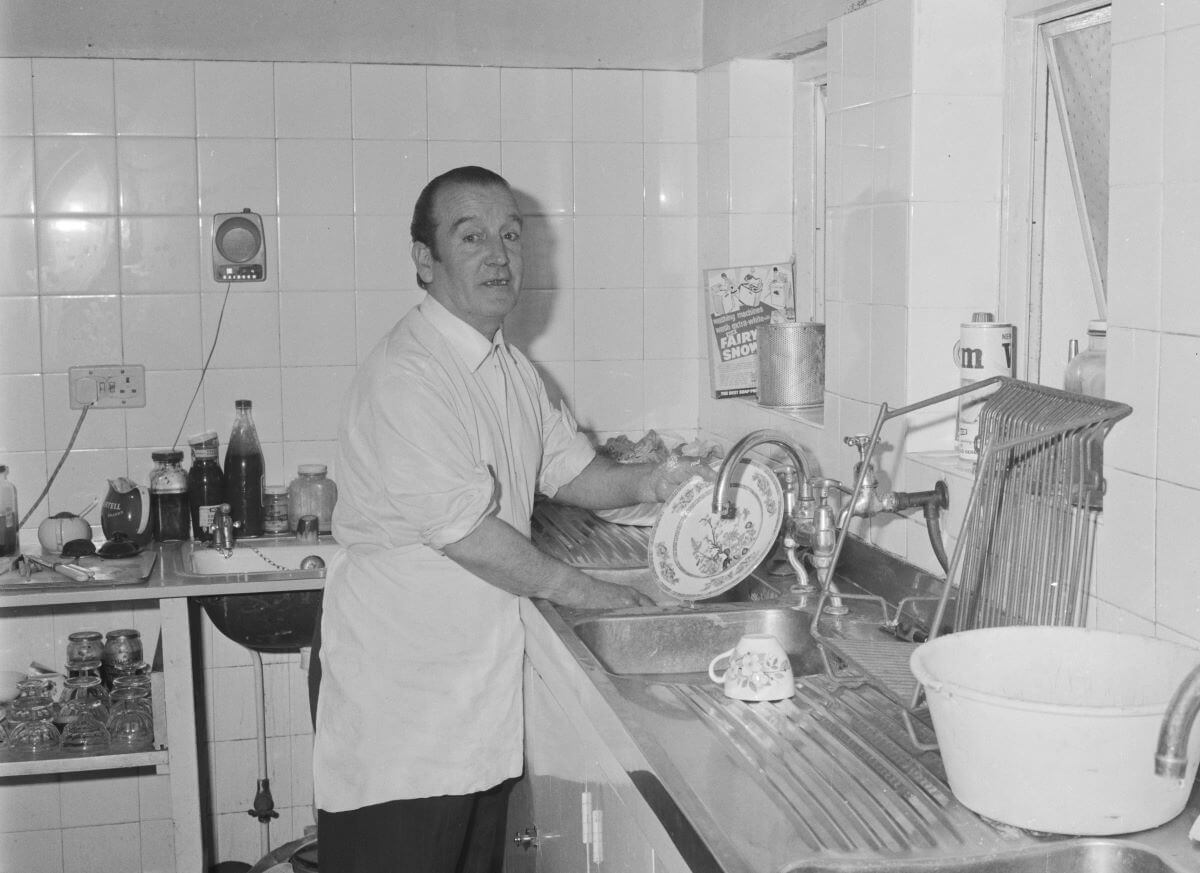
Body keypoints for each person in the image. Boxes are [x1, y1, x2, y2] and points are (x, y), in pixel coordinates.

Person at [310, 165, 713, 873]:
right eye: (471, 236)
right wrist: (596, 592)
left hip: (473, 710)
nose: (498, 255)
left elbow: (573, 471)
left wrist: (659, 478)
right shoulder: (410, 377)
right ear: (424, 259)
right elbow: (469, 535)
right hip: (404, 715)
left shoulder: (509, 368)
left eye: (510, 235)